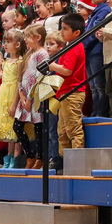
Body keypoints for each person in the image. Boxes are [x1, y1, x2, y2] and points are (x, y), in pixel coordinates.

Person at [48, 14, 88, 165]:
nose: (62, 32)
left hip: (73, 93)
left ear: (76, 33)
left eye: (65, 29)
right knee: (62, 132)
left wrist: (51, 65)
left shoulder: (74, 46)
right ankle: (65, 162)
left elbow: (67, 70)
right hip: (65, 93)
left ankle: (76, 163)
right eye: (61, 28)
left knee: (73, 130)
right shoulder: (69, 46)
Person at [16, 25, 49, 169]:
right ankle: (30, 154)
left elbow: (39, 77)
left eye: (27, 37)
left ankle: (40, 158)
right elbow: (21, 77)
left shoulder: (42, 54)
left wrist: (29, 98)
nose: (25, 40)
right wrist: (22, 95)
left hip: (35, 97)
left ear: (38, 38)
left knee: (38, 128)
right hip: (25, 96)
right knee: (17, 126)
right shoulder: (29, 54)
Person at [0, 29, 23, 168]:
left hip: (13, 94)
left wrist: (15, 103)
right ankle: (8, 157)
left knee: (15, 128)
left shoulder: (20, 61)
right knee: (9, 129)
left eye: (9, 42)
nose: (5, 44)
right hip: (4, 94)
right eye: (5, 41)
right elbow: (6, 74)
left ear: (18, 45)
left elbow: (18, 80)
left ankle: (16, 158)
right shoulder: (7, 61)